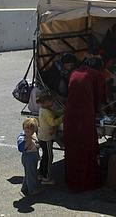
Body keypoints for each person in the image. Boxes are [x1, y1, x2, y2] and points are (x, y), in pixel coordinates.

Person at [63, 58, 106, 192]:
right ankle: (86, 182)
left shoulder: (75, 72)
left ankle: (72, 180)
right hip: (85, 116)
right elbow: (100, 96)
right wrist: (102, 110)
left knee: (72, 148)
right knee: (87, 147)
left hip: (70, 115)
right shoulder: (95, 74)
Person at [36, 92, 63, 185]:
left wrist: (60, 112)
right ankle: (46, 178)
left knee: (45, 156)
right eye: (51, 101)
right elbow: (53, 123)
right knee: (49, 157)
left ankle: (40, 173)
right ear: (45, 102)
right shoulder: (47, 112)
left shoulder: (44, 109)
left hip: (42, 136)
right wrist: (63, 117)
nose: (52, 103)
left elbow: (54, 113)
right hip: (47, 137)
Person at [18, 118, 42, 196]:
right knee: (31, 174)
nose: (27, 132)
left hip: (33, 156)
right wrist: (28, 140)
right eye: (26, 130)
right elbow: (21, 148)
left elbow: (37, 144)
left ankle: (24, 187)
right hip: (28, 157)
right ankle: (32, 190)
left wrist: (37, 145)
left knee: (29, 173)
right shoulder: (23, 137)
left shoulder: (33, 135)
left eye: (29, 131)